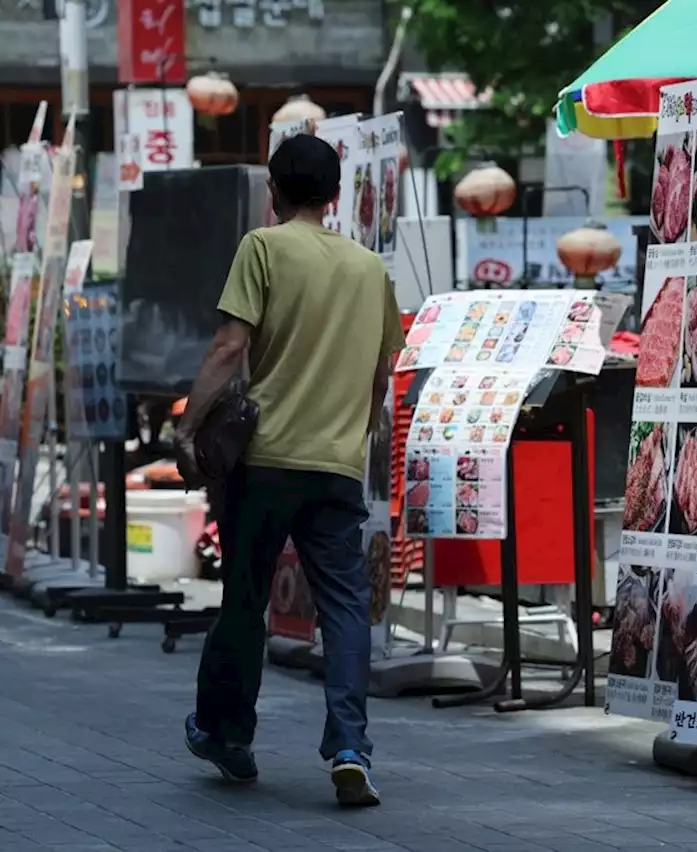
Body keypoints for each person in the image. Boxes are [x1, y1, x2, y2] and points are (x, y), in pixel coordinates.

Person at [174, 133, 405, 807]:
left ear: (273, 191)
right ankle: (351, 748)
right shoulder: (370, 269)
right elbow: (379, 377)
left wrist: (188, 425)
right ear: (336, 195)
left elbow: (229, 344)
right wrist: (352, 438)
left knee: (246, 598)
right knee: (345, 608)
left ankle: (227, 734)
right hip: (336, 465)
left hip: (267, 458)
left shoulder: (263, 247)